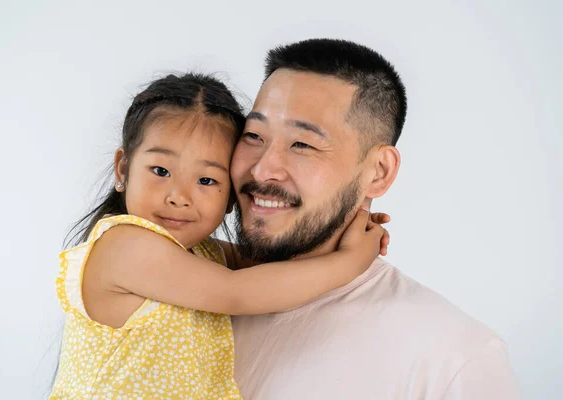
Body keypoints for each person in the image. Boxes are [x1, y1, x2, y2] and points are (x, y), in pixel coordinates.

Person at [49, 72, 390, 399]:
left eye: (207, 181)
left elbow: (269, 263)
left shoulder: (200, 255)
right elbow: (238, 292)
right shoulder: (123, 245)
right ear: (123, 169)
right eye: (161, 171)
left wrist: (344, 227)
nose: (179, 196)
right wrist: (351, 261)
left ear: (231, 196)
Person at [229, 38, 522, 399]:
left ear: (379, 171)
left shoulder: (452, 357)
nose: (262, 169)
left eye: (302, 144)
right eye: (254, 135)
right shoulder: (180, 292)